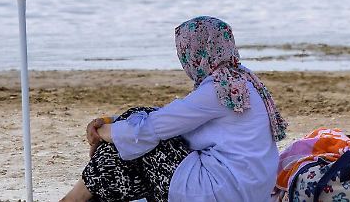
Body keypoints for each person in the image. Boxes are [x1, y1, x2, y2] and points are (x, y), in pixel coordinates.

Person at [59, 16, 287, 202]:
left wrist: (102, 133)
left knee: (137, 127)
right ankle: (85, 197)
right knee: (133, 141)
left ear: (197, 51)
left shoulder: (217, 89)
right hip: (248, 190)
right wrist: (114, 124)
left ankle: (74, 198)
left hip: (220, 191)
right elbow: (175, 121)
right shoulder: (241, 80)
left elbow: (153, 127)